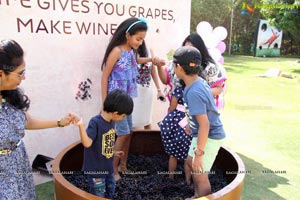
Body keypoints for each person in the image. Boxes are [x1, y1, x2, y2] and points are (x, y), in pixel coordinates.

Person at [0, 39, 76, 200]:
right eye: (20, 73)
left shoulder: (9, 96)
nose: (24, 77)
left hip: (18, 162)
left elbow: (26, 122)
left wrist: (58, 122)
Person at [101, 17, 161, 181]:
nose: (141, 43)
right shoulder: (117, 51)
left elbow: (136, 61)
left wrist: (150, 59)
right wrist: (105, 103)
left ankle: (123, 165)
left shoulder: (131, 51)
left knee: (129, 132)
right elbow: (105, 76)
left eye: (143, 40)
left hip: (126, 101)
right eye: (138, 39)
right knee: (122, 133)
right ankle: (112, 170)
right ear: (127, 35)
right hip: (116, 102)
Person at [173, 46, 226, 199]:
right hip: (202, 133)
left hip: (211, 135)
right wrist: (191, 124)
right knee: (191, 162)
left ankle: (202, 195)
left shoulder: (194, 91)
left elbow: (205, 124)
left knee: (200, 173)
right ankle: (197, 195)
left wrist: (199, 153)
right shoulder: (197, 82)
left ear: (179, 67)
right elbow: (203, 112)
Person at [74, 89, 134, 198]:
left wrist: (113, 152)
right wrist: (81, 126)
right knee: (98, 195)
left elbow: (104, 143)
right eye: (124, 116)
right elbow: (87, 143)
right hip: (96, 172)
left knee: (111, 190)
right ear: (116, 114)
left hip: (108, 168)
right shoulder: (95, 122)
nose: (123, 118)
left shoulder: (111, 122)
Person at [132, 40, 165, 129]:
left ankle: (148, 141)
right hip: (133, 92)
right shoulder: (130, 51)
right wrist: (151, 59)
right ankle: (132, 141)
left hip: (147, 91)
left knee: (147, 120)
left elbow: (153, 71)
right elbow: (136, 61)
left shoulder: (149, 50)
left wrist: (159, 90)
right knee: (132, 120)